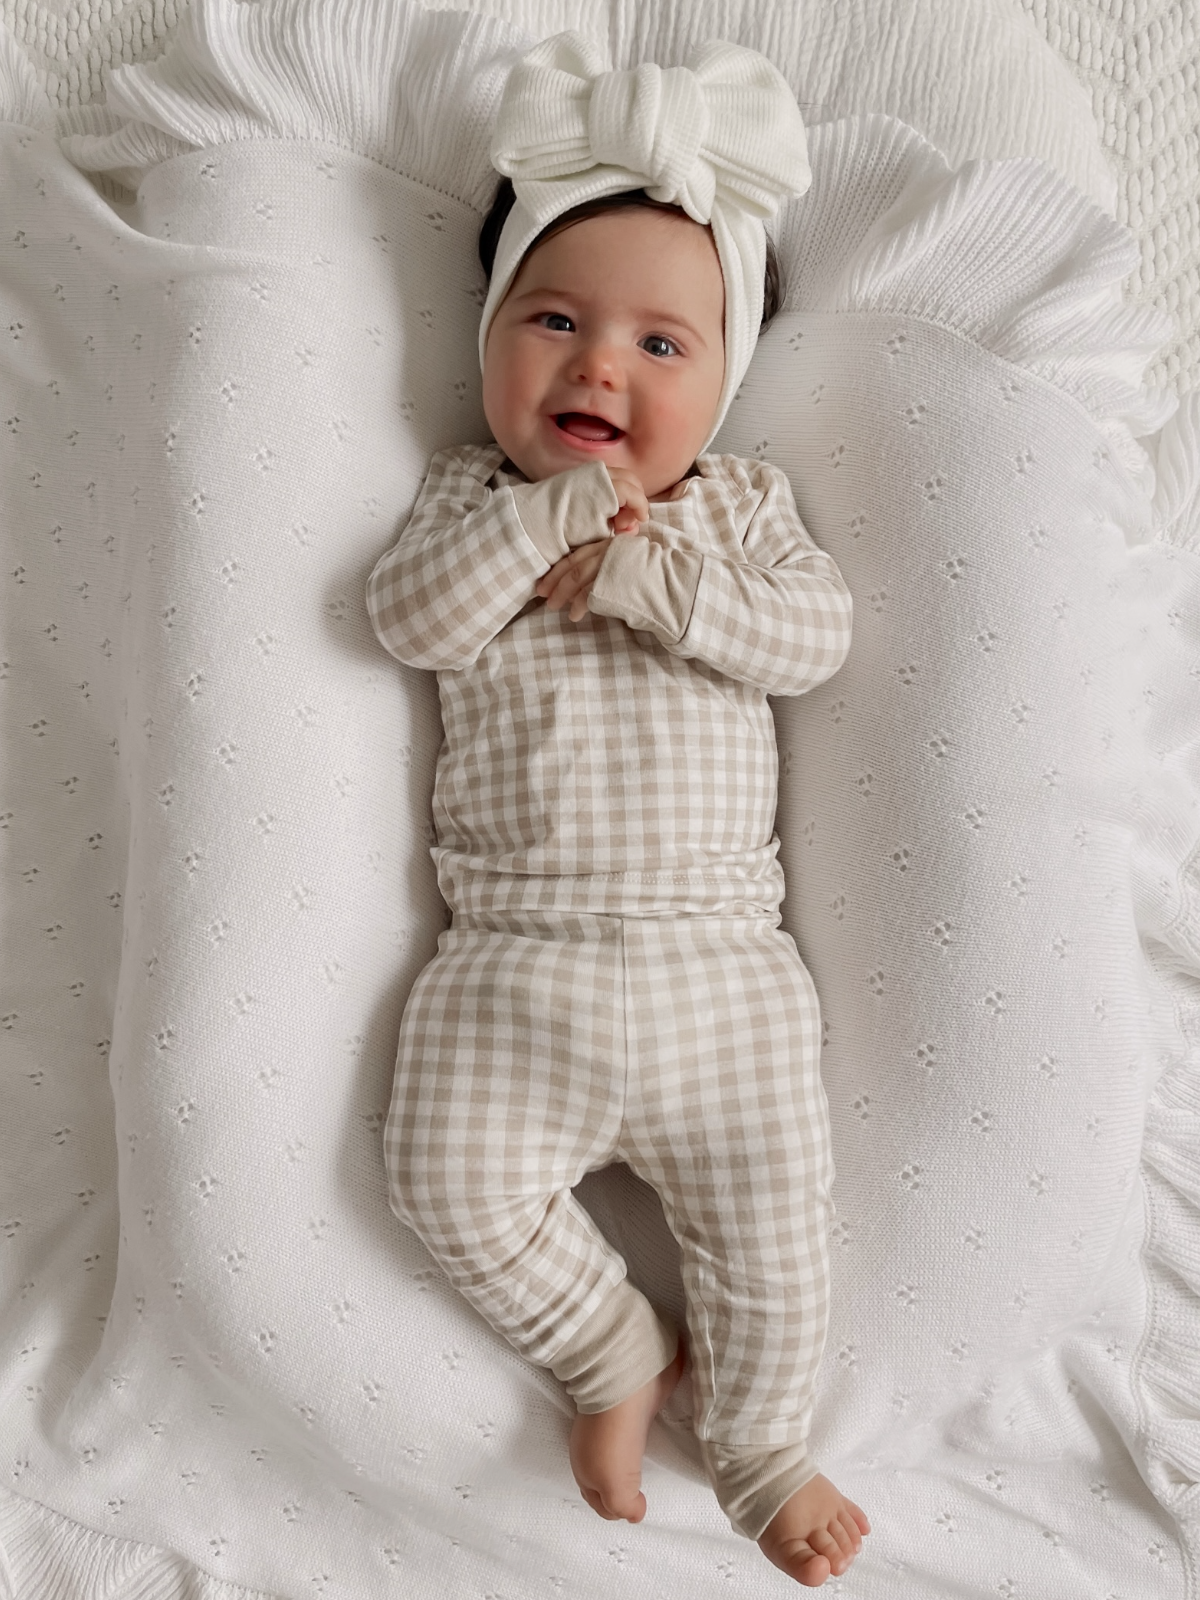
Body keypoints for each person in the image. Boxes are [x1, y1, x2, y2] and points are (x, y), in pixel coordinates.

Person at [366, 33, 869, 1587]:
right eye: (557, 321)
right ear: (491, 336)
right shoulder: (472, 501)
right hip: (513, 961)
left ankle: (763, 1447)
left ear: (724, 385)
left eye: (662, 344)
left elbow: (817, 637)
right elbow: (409, 620)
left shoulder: (736, 509)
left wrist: (659, 579)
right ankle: (605, 1344)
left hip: (723, 969)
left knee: (777, 1232)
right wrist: (550, 522)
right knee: (442, 1176)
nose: (600, 367)